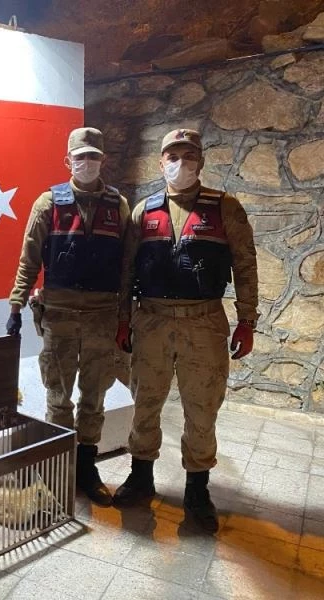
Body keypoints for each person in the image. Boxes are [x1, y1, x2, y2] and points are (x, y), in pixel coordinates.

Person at [112, 128, 258, 533]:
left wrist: (247, 320)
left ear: (201, 162)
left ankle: (197, 489)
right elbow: (126, 270)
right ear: (161, 163)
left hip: (204, 321)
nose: (181, 163)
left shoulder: (224, 208)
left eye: (189, 156)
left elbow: (245, 265)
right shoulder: (144, 211)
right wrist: (123, 318)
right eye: (173, 156)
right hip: (151, 319)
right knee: (145, 401)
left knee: (202, 407)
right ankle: (141, 476)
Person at [7, 127, 130, 506]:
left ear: (103, 160)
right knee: (58, 397)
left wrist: (126, 315)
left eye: (93, 156)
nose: (87, 163)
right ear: (68, 161)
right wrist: (16, 305)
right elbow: (29, 258)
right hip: (58, 315)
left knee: (94, 397)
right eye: (80, 157)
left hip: (101, 317)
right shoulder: (48, 203)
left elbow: (127, 264)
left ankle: (86, 468)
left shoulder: (118, 206)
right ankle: (57, 469)